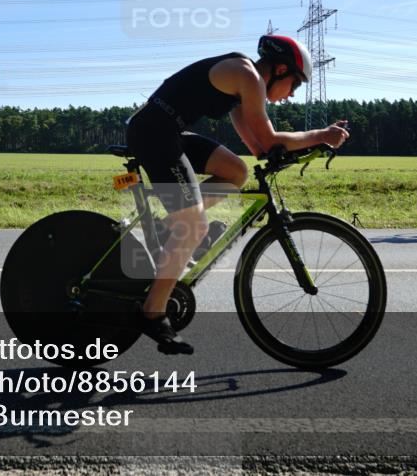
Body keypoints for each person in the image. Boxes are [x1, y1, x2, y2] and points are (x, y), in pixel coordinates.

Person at [125, 34, 351, 354]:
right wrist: (321, 134)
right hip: (154, 133)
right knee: (195, 228)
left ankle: (173, 226)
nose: (290, 96)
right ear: (281, 69)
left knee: (236, 172)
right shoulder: (247, 76)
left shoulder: (242, 86)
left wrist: (308, 146)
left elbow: (259, 148)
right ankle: (152, 313)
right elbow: (270, 137)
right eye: (295, 86)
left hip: (166, 131)